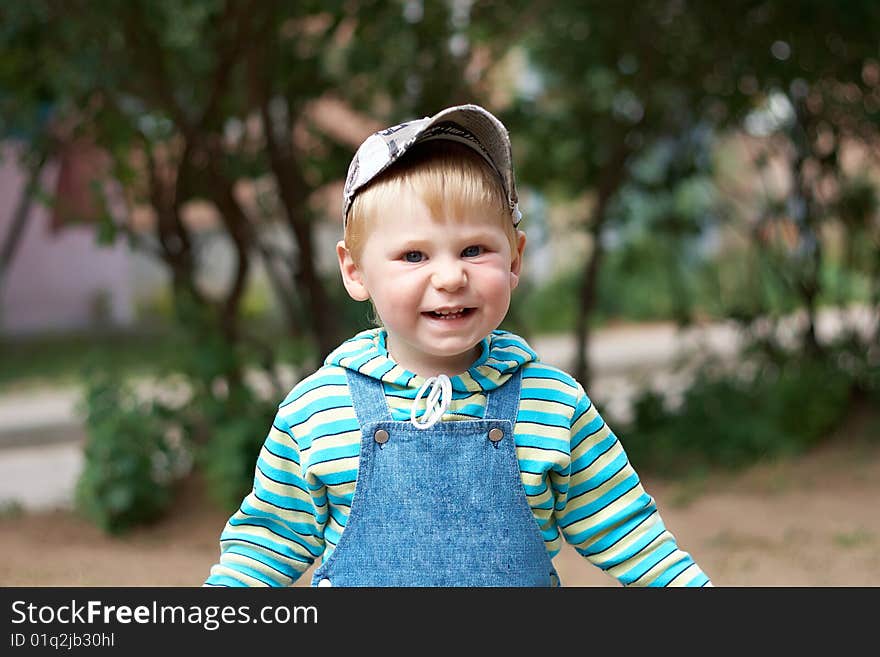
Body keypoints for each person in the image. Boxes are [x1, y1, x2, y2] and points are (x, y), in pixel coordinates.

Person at [204, 104, 712, 587]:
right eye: (413, 255)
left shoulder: (554, 407)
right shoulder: (316, 412)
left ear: (514, 259)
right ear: (354, 271)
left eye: (474, 249)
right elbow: (263, 548)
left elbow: (633, 535)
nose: (450, 276)